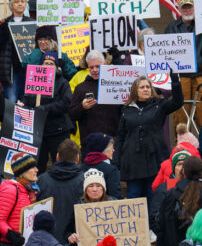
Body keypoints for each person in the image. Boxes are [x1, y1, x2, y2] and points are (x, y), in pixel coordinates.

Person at [115, 72, 183, 202]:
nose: (146, 89)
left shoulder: (159, 105)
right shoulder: (126, 109)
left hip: (154, 158)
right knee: (134, 197)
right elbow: (121, 136)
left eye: (148, 87)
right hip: (133, 161)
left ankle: (152, 222)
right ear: (135, 90)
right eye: (142, 87)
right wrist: (117, 159)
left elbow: (178, 102)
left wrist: (175, 82)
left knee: (152, 195)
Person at [165, 0, 202, 129]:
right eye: (184, 8)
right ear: (179, 10)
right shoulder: (171, 27)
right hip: (181, 75)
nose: (187, 11)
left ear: (195, 8)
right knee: (180, 111)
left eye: (190, 7)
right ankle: (181, 142)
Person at [22, 51, 73, 171]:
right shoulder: (32, 81)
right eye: (46, 63)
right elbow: (27, 101)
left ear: (56, 67)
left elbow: (66, 103)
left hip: (58, 131)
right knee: (37, 167)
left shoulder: (62, 83)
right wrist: (23, 105)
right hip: (39, 132)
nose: (48, 66)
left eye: (51, 63)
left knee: (60, 166)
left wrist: (45, 109)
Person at [69, 50, 120, 151]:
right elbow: (71, 115)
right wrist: (82, 107)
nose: (95, 70)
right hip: (90, 143)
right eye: (91, 67)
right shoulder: (81, 88)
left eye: (98, 66)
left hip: (112, 141)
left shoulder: (115, 85)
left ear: (104, 64)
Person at [37, 140, 84, 246]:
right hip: (75, 244)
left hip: (46, 242)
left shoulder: (41, 180)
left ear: (57, 156)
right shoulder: (86, 181)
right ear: (77, 158)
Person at [0, 0, 34, 101]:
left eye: (22, 2)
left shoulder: (32, 23)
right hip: (10, 70)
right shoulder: (3, 23)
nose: (20, 4)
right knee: (11, 100)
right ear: (11, 5)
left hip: (27, 69)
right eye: (17, 2)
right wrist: (3, 31)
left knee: (27, 101)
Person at [64, 169, 113, 246]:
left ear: (103, 189)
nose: (95, 189)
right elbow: (67, 231)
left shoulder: (114, 205)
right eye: (91, 186)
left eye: (98, 186)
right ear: (86, 189)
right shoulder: (78, 206)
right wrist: (70, 237)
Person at [81, 132, 122, 200]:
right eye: (111, 147)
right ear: (103, 149)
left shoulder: (80, 169)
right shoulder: (111, 170)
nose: (113, 150)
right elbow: (117, 197)